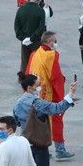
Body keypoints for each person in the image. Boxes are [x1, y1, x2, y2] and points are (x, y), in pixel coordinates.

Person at [15, 72, 78, 166]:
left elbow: (17, 121)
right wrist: (70, 94)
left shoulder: (18, 102)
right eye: (38, 83)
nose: (40, 85)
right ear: (31, 87)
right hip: (39, 141)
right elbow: (57, 108)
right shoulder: (36, 103)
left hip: (25, 141)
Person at [27, 30, 75, 159]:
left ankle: (43, 149)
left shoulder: (36, 53)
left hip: (37, 93)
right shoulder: (50, 56)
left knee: (41, 123)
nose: (55, 43)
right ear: (49, 42)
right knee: (56, 121)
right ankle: (60, 150)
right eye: (54, 41)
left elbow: (28, 72)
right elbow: (56, 77)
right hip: (50, 93)